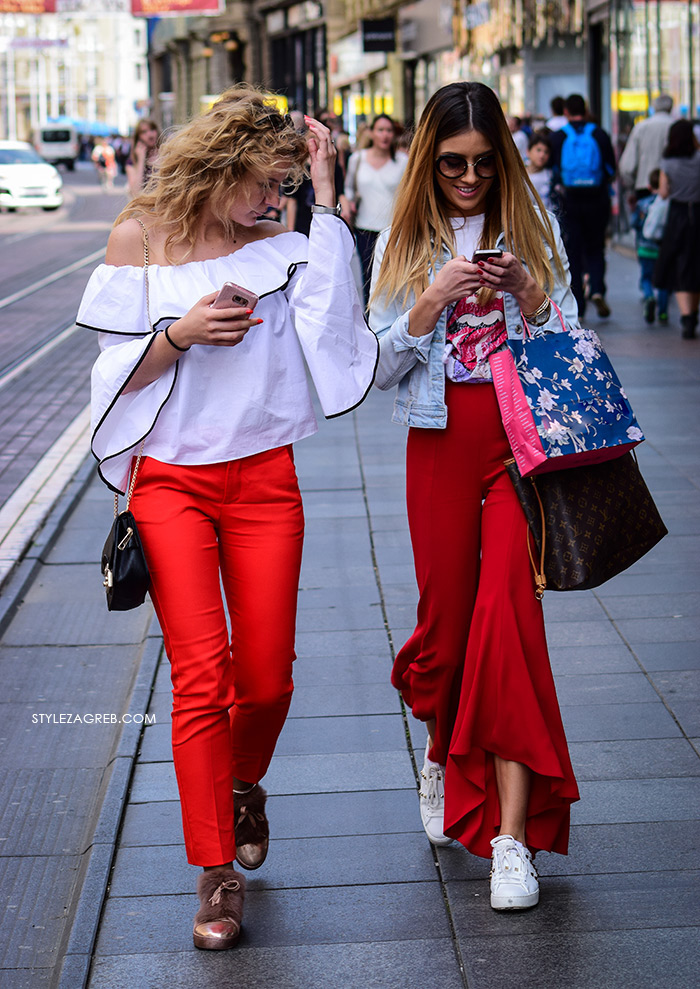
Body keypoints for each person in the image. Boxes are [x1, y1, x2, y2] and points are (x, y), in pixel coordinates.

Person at [77, 87, 378, 950]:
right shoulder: (139, 238)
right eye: (264, 181)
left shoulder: (284, 242)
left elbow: (336, 327)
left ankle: (244, 782)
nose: (273, 199)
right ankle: (217, 873)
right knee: (201, 675)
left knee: (271, 675)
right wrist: (178, 335)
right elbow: (111, 379)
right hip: (171, 481)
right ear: (219, 166)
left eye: (287, 182)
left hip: (263, 479)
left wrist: (322, 178)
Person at [369, 81, 580, 912]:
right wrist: (430, 301)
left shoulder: (536, 226)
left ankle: (509, 839)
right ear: (430, 159)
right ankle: (435, 750)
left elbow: (573, 349)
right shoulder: (405, 237)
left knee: (510, 626)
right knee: (448, 631)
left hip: (519, 448)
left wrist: (530, 296)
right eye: (452, 163)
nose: (467, 178)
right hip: (440, 443)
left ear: (502, 159)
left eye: (484, 164)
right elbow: (372, 368)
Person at [549, 94, 616, 319]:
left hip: (569, 201)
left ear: (566, 112)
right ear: (585, 111)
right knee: (596, 248)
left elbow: (552, 169)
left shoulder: (558, 137)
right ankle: (597, 289)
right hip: (597, 200)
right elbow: (610, 168)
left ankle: (579, 305)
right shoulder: (599, 134)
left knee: (573, 253)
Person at [345, 114, 408, 303]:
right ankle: (370, 320)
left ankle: (391, 319)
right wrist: (350, 201)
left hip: (393, 229)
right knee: (368, 278)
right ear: (372, 133)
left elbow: (408, 192)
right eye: (380, 130)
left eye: (389, 130)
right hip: (365, 228)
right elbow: (348, 187)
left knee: (392, 279)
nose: (385, 135)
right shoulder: (357, 159)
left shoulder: (403, 161)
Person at [654, 119, 700, 338]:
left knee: (680, 265)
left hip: (677, 215)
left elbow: (663, 192)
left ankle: (685, 316)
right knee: (696, 266)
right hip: (698, 214)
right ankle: (694, 313)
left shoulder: (668, 162)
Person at [630, 168, 669, 324]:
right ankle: (664, 313)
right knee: (664, 281)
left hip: (645, 249)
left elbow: (634, 223)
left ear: (649, 185)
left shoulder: (642, 204)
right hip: (661, 249)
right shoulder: (666, 204)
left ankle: (649, 296)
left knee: (646, 278)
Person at [619, 94, 674, 204]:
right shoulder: (676, 126)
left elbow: (627, 166)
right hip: (672, 188)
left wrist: (630, 188)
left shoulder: (641, 127)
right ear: (670, 107)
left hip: (644, 186)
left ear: (654, 107)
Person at [125, 118, 160, 197]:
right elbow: (135, 193)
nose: (150, 134)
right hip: (146, 206)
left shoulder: (166, 154)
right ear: (138, 137)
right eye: (144, 132)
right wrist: (141, 160)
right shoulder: (132, 161)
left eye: (152, 129)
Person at [526, 131, 554, 210]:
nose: (542, 155)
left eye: (546, 152)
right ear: (528, 151)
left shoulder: (551, 176)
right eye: (538, 150)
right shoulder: (519, 175)